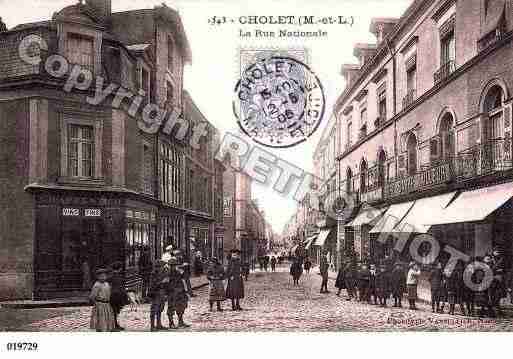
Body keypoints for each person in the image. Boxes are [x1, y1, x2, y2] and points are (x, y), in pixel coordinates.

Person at [166, 257, 190, 328]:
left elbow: (183, 279)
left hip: (180, 292)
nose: (174, 266)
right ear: (170, 265)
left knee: (181, 307)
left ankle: (180, 322)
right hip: (172, 293)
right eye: (172, 265)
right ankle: (171, 323)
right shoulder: (168, 273)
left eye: (175, 265)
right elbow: (166, 284)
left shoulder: (178, 272)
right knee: (171, 308)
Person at [149, 260, 168, 331]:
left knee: (160, 309)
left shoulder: (163, 273)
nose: (163, 268)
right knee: (154, 310)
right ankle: (152, 326)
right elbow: (152, 285)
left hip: (162, 293)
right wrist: (162, 282)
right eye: (162, 266)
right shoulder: (153, 274)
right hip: (155, 293)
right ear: (158, 267)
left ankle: (159, 324)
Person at [109, 261, 128, 331]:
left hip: (113, 295)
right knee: (115, 311)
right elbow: (120, 287)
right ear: (120, 269)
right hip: (116, 296)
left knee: (114, 311)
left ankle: (115, 325)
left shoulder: (111, 276)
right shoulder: (118, 276)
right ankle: (114, 325)